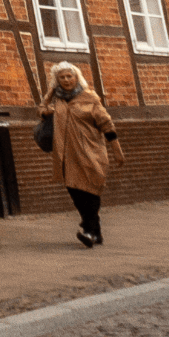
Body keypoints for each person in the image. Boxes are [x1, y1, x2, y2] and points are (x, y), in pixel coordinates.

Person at [40, 62, 118, 248]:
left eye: (70, 76)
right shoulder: (58, 101)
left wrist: (117, 150)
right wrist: (51, 91)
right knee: (75, 191)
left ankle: (90, 230)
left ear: (77, 77)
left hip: (91, 152)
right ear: (56, 81)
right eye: (62, 77)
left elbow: (106, 123)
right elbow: (42, 110)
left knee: (91, 189)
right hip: (67, 155)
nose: (66, 80)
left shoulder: (89, 97)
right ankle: (93, 230)